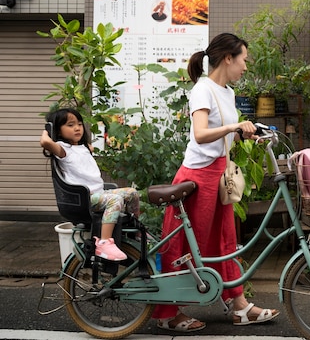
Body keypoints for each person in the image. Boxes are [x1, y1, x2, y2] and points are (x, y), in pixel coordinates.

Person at [152, 33, 279, 333]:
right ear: (228, 58)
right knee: (182, 243)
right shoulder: (202, 89)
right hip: (196, 178)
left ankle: (239, 305)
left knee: (223, 242)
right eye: (244, 60)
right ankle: (167, 313)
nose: (246, 67)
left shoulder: (228, 93)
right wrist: (234, 125)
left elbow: (221, 134)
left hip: (219, 175)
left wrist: (242, 134)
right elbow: (200, 134)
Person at [40, 108, 140, 261]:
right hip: (87, 199)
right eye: (70, 125)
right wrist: (48, 130)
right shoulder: (63, 150)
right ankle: (104, 242)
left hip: (99, 194)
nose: (77, 128)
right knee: (116, 200)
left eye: (79, 124)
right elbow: (45, 142)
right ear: (59, 131)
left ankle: (135, 231)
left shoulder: (83, 148)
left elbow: (87, 148)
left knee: (132, 193)